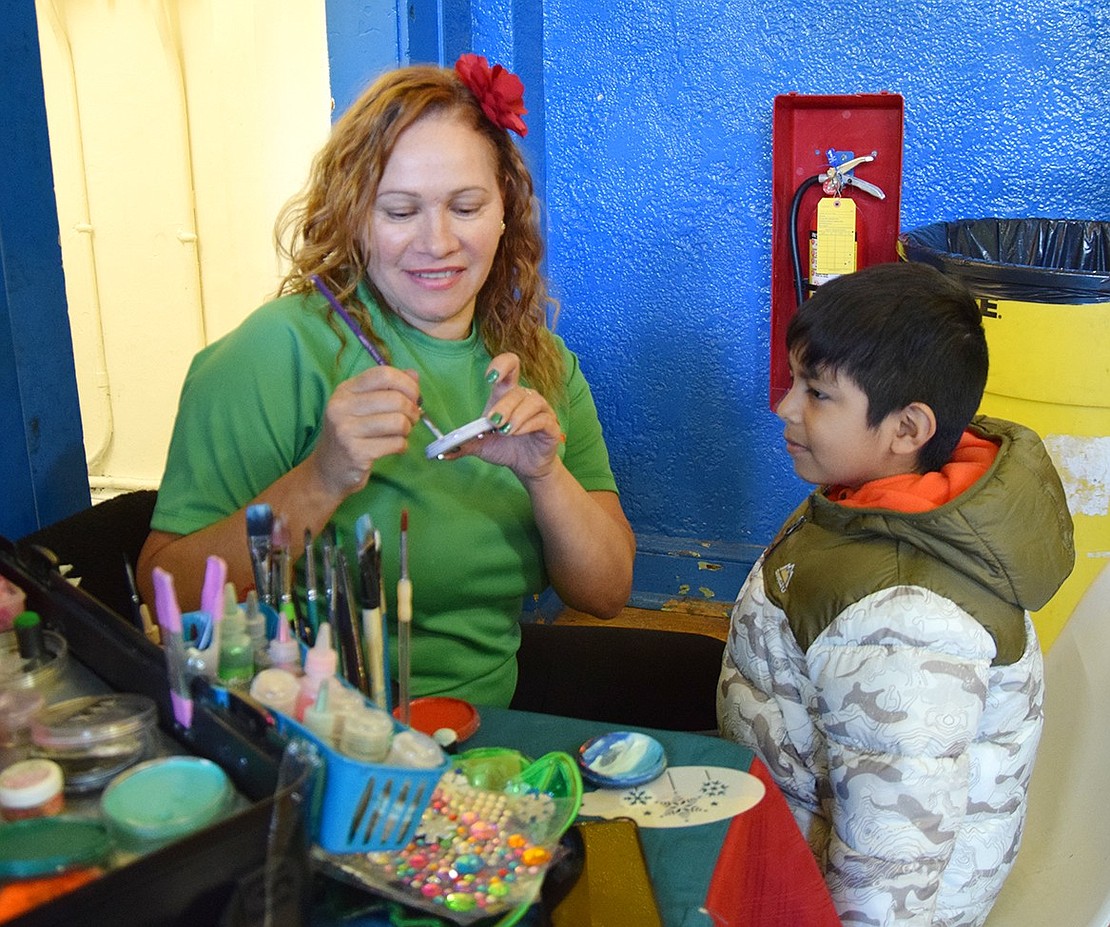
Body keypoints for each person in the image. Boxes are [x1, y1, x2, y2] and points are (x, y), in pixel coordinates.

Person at [137, 55, 635, 707]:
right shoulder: (274, 352)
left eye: (466, 205)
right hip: (317, 731)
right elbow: (164, 587)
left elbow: (606, 591)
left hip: (486, 731)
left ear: (506, 211)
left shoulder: (541, 363)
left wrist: (546, 476)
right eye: (400, 211)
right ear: (355, 217)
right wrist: (320, 478)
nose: (439, 241)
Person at [716, 261, 1074, 926]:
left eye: (817, 392)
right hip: (797, 813)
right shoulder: (885, 500)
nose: (784, 406)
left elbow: (891, 866)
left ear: (908, 429)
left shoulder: (906, 622)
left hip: (831, 896)